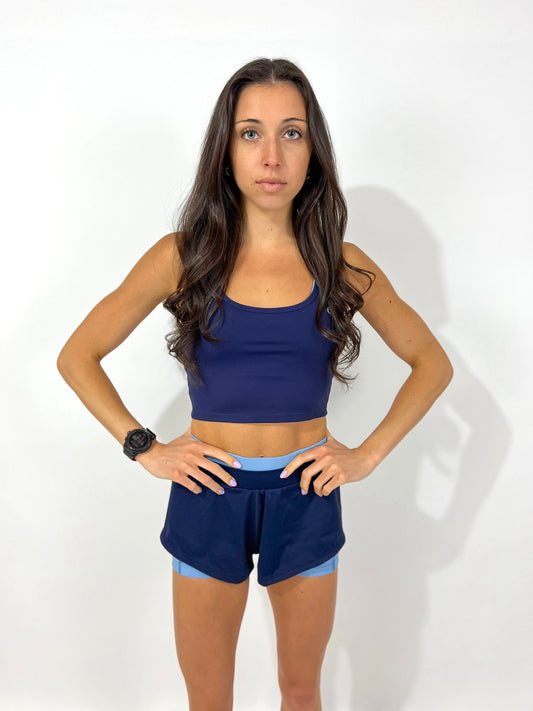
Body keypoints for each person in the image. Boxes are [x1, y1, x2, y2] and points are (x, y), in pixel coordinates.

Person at [57, 57, 453, 711]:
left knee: (301, 690)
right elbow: (78, 355)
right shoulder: (181, 256)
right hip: (207, 492)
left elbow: (432, 363)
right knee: (209, 698)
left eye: (291, 133)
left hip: (305, 491)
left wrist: (365, 455)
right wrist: (144, 446)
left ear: (313, 150)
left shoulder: (340, 263)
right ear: (226, 148)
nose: (272, 155)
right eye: (251, 133)